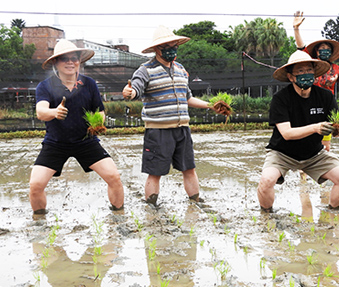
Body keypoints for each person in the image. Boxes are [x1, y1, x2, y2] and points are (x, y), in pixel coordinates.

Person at [122, 25, 226, 206]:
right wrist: (130, 93)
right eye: (167, 47)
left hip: (182, 130)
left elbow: (188, 98)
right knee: (155, 172)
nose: (172, 49)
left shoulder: (180, 69)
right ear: (157, 49)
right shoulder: (145, 70)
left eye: (174, 45)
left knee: (189, 169)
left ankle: (196, 201)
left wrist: (211, 106)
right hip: (158, 132)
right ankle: (151, 207)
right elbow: (136, 88)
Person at [29, 39, 124, 214]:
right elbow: (41, 112)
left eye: (74, 58)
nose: (70, 62)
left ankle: (118, 216)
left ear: (79, 61)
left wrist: (98, 123)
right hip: (56, 143)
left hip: (86, 142)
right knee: (36, 185)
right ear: (55, 62)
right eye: (65, 59)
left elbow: (99, 111)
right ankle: (40, 223)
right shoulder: (45, 86)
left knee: (114, 177)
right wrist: (55, 113)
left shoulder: (89, 84)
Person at [256, 50, 339, 213]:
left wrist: (331, 135)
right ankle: (267, 215)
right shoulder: (281, 99)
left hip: (314, 154)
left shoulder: (325, 96)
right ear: (291, 76)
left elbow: (333, 122)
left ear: (315, 74)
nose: (306, 74)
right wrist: (315, 128)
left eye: (309, 70)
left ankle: (331, 213)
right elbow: (287, 133)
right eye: (300, 71)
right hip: (282, 153)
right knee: (266, 181)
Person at [293, 11, 339, 151]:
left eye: (327, 49)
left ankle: (322, 168)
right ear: (316, 52)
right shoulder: (311, 64)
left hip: (326, 106)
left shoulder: (336, 69)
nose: (324, 51)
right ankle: (303, 169)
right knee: (305, 138)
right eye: (322, 49)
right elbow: (301, 48)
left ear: (331, 53)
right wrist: (296, 28)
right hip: (308, 103)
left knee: (325, 145)